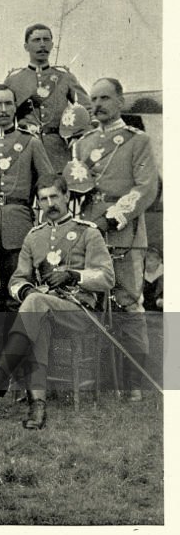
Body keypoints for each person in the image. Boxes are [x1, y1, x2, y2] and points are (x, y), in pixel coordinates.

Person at [0, 175, 114, 429]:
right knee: (36, 318)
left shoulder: (88, 232)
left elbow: (106, 277)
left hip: (80, 312)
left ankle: (1, 373)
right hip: (43, 312)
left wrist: (74, 275)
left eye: (54, 197)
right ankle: (37, 407)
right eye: (44, 199)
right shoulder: (33, 237)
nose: (50, 204)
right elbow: (17, 281)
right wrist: (25, 292)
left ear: (67, 196)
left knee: (36, 306)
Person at [71, 77, 159, 400]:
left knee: (128, 304)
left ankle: (133, 383)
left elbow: (147, 187)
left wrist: (115, 216)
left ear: (121, 101)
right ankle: (96, 379)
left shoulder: (138, 141)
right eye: (93, 99)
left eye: (105, 98)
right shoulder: (82, 144)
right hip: (90, 233)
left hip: (125, 232)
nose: (97, 105)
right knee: (90, 304)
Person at [0, 84, 53, 312]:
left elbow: (47, 183)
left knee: (18, 292)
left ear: (15, 107)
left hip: (20, 226)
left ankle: (16, 345)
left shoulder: (31, 142)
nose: (3, 109)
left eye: (8, 103)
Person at [4, 23, 91, 172]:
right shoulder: (13, 80)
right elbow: (5, 116)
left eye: (46, 40)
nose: (42, 44)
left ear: (52, 44)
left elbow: (87, 109)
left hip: (58, 152)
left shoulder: (64, 77)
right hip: (25, 149)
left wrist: (77, 135)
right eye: (36, 40)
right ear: (26, 46)